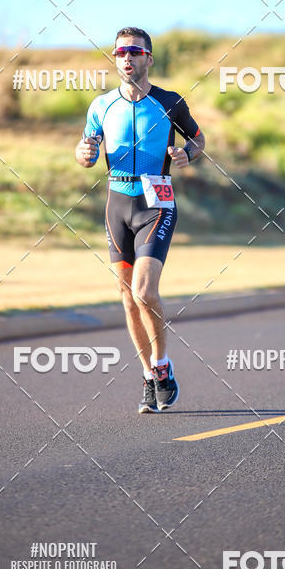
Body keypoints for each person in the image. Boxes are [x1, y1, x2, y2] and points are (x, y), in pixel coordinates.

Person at [75, 27, 205, 413]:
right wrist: (84, 154)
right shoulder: (101, 105)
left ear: (149, 58)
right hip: (117, 202)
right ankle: (149, 376)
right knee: (127, 297)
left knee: (143, 291)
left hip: (156, 201)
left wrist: (186, 154)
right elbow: (86, 149)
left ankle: (163, 367)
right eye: (120, 52)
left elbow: (198, 139)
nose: (127, 58)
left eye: (134, 51)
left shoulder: (169, 101)